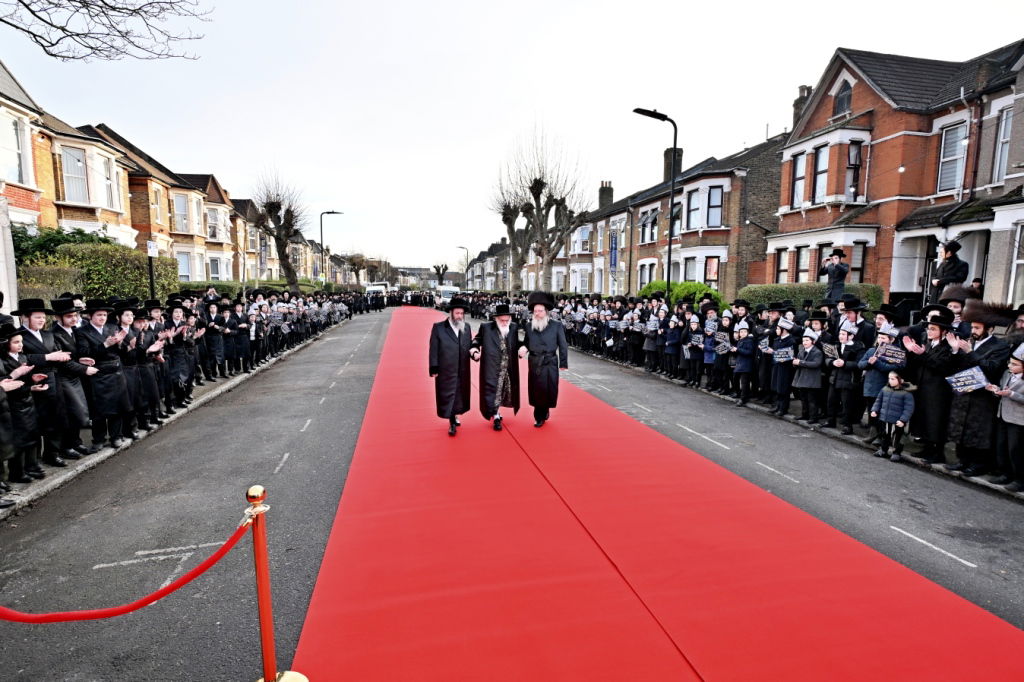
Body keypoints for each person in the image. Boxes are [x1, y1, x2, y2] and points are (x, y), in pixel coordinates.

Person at [945, 302, 1013, 477]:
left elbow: (992, 368)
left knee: (978, 430)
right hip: (964, 391)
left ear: (989, 329)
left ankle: (978, 464)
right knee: (961, 426)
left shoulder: (1000, 346)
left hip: (982, 395)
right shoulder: (969, 341)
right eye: (972, 327)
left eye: (977, 328)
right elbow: (956, 366)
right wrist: (955, 351)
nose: (973, 331)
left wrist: (970, 352)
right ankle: (962, 460)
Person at [470, 303, 521, 431]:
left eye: (507, 320)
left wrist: (523, 348)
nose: (505, 322)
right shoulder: (486, 328)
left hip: (509, 368)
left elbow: (517, 343)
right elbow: (476, 340)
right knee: (493, 391)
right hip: (492, 366)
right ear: (496, 319)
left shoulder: (513, 327)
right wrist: (474, 351)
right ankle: (495, 415)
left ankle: (496, 411)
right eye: (502, 320)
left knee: (504, 391)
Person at [520, 291, 568, 427]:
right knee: (536, 389)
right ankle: (538, 416)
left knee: (548, 389)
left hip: (550, 362)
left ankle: (545, 409)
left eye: (540, 311)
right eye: (535, 311)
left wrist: (563, 363)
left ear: (546, 311)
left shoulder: (556, 325)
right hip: (534, 362)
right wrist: (524, 348)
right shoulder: (529, 326)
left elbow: (563, 345)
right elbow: (527, 342)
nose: (536, 314)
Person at [429, 297, 472, 436]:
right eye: (457, 313)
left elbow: (469, 346)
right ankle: (452, 422)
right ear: (451, 313)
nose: (459, 316)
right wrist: (433, 367)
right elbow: (433, 349)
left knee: (459, 394)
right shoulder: (439, 328)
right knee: (448, 395)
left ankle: (455, 415)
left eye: (461, 314)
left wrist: (474, 353)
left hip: (463, 369)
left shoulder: (467, 327)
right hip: (446, 369)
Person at [987, 343, 1024, 492]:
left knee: (1015, 449)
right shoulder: (1007, 374)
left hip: (1018, 418)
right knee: (1001, 445)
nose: (1010, 366)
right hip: (1003, 414)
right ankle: (1005, 473)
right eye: (1010, 362)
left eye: (1014, 364)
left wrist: (1011, 394)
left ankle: (1020, 479)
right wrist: (996, 390)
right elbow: (1003, 390)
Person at [870, 371, 915, 462]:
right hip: (884, 418)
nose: (890, 381)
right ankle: (883, 450)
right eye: (889, 378)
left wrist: (903, 420)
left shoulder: (906, 393)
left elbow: (908, 408)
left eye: (893, 379)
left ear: (901, 380)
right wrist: (874, 410)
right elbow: (878, 400)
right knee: (884, 435)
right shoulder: (885, 389)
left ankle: (896, 453)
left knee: (897, 438)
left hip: (897, 421)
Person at [793, 328, 824, 424]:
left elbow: (816, 364)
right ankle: (804, 415)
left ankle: (813, 417)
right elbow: (798, 361)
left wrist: (800, 362)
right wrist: (795, 362)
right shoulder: (801, 350)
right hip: (802, 378)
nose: (804, 342)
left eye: (807, 340)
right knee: (804, 398)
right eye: (803, 340)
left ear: (813, 341)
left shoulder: (817, 352)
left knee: (812, 400)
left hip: (812, 379)